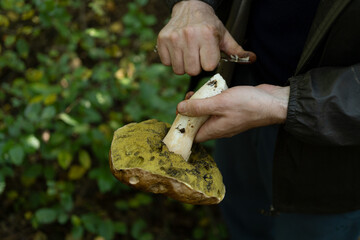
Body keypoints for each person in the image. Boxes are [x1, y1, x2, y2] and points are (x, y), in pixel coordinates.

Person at [157, 0, 360, 240]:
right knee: (242, 216)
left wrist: (290, 102)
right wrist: (196, 4)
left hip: (333, 158)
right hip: (241, 90)